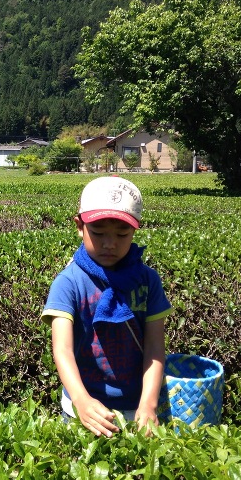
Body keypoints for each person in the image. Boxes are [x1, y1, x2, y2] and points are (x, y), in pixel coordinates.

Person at [42, 176, 172, 437]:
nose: (110, 243)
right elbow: (63, 350)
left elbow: (155, 348)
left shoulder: (148, 280)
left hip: (141, 407)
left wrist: (148, 403)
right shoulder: (69, 282)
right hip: (86, 408)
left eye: (122, 233)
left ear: (135, 230)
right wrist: (81, 400)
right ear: (79, 226)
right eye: (98, 233)